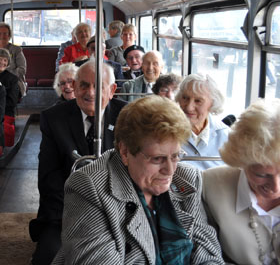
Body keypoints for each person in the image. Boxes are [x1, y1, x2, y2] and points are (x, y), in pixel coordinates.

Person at [53, 95, 224, 264]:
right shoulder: (89, 187)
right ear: (125, 152)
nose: (170, 170)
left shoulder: (187, 179)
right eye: (157, 158)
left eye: (176, 155)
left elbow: (208, 254)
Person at [29, 60, 127, 265]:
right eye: (83, 85)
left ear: (112, 90)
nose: (90, 93)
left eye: (98, 86)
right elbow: (49, 179)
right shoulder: (54, 119)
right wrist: (77, 215)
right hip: (65, 211)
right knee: (48, 259)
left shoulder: (128, 117)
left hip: (119, 212)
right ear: (73, 86)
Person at [202, 99, 280, 264]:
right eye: (262, 174)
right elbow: (207, 255)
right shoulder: (211, 185)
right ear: (242, 162)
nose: (276, 187)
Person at [175, 73, 229, 170]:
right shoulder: (166, 133)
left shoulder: (226, 136)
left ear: (212, 103)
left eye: (198, 101)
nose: (189, 107)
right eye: (185, 98)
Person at [0, 22, 27, 97]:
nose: (2, 36)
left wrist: (5, 75)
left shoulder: (16, 49)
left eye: (5, 33)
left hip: (12, 82)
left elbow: (22, 69)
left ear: (9, 36)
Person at [0, 48, 19, 147]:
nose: (2, 62)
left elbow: (12, 102)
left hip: (5, 113)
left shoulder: (13, 79)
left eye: (5, 60)